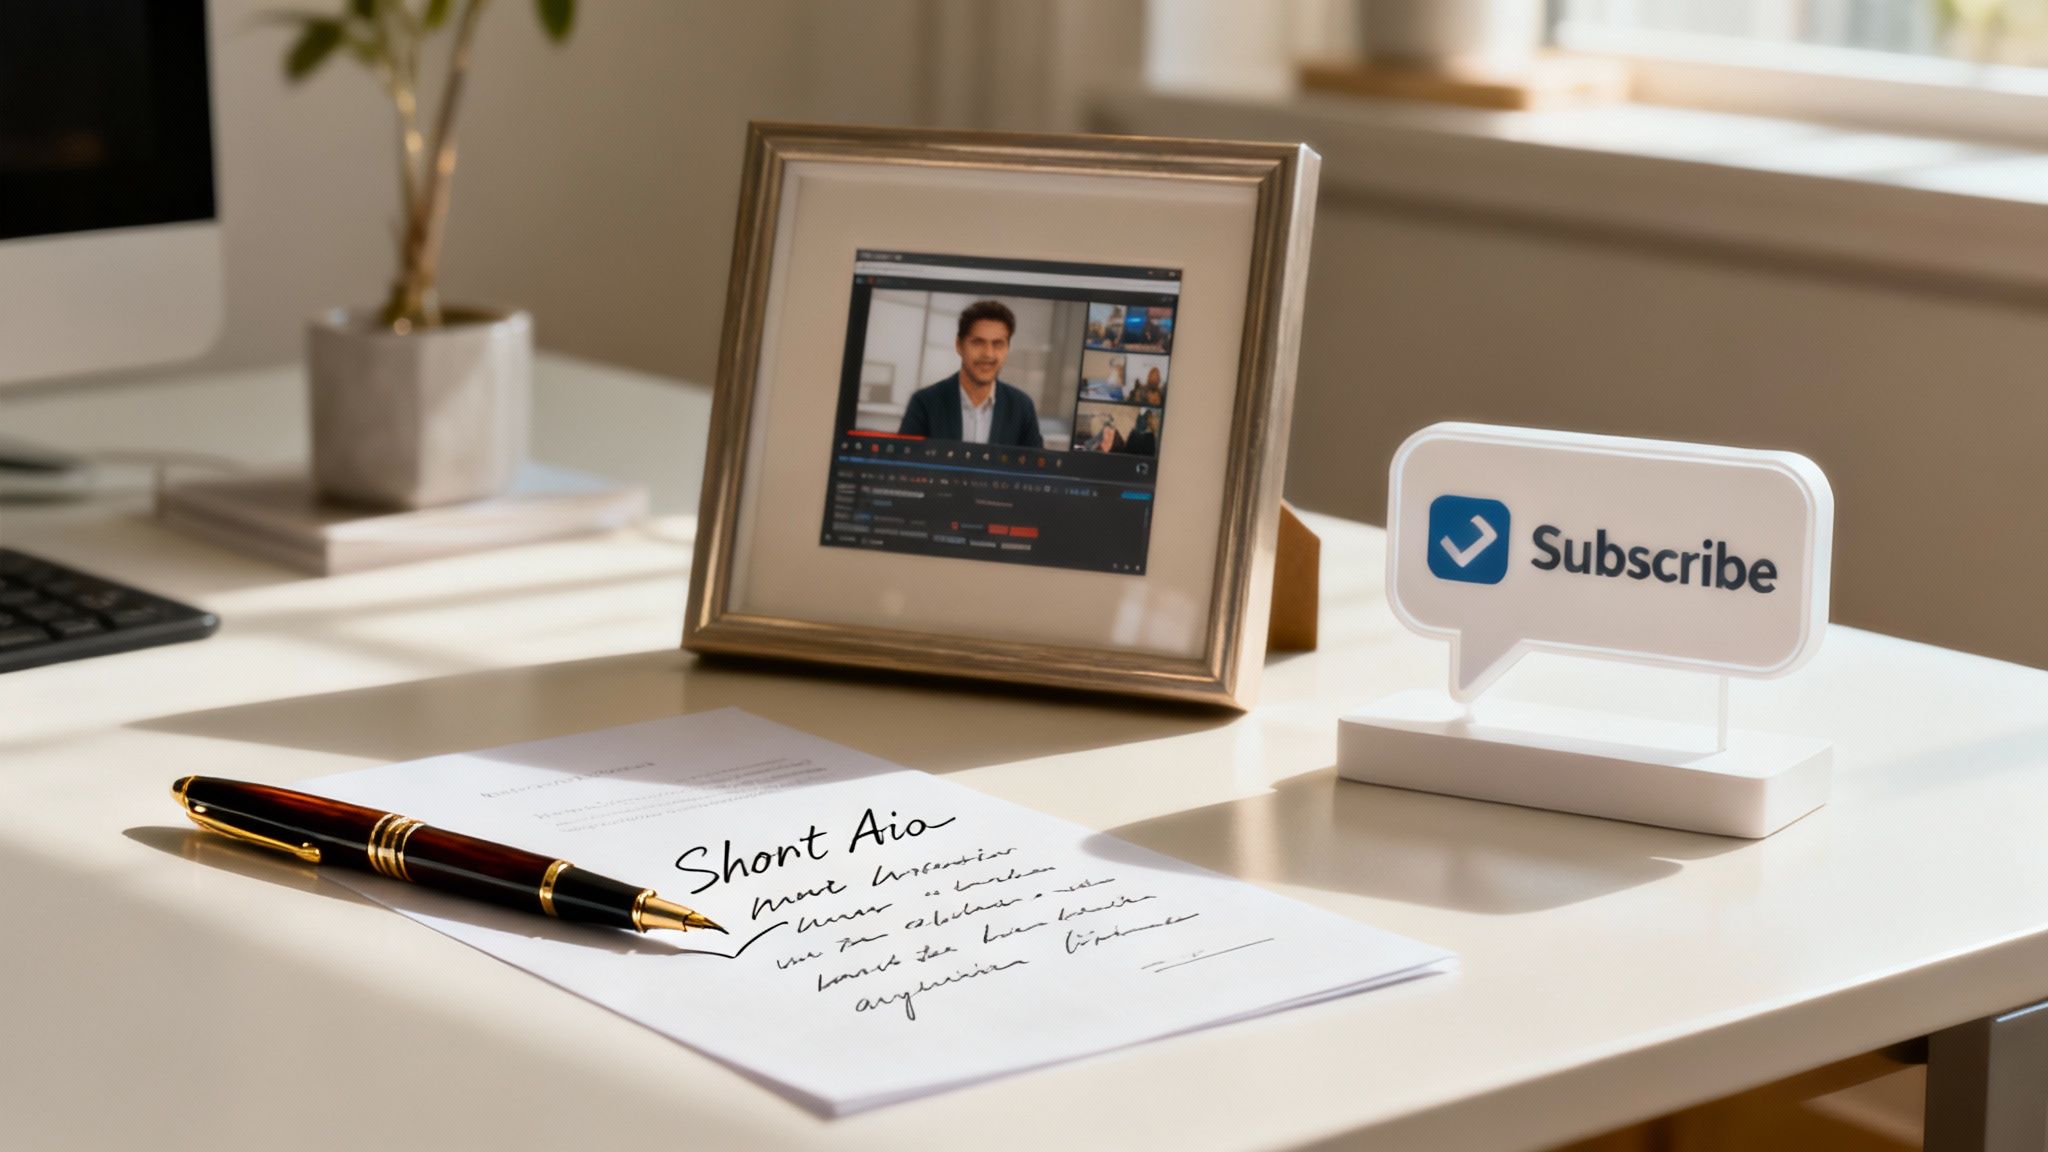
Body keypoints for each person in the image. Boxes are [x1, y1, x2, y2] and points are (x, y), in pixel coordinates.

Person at [897, 300, 1043, 448]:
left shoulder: (1022, 407)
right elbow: (903, 463)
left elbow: (1036, 469)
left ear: (1007, 349)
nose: (988, 354)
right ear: (959, 346)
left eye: (998, 344)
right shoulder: (924, 403)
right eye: (978, 342)